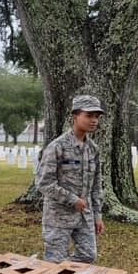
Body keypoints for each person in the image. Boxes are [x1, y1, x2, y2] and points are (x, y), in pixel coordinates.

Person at [36, 94, 106, 263]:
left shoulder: (93, 149)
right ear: (75, 116)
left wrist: (97, 215)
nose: (94, 120)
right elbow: (44, 183)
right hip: (59, 216)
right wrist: (73, 200)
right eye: (88, 115)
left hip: (84, 216)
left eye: (96, 116)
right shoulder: (57, 147)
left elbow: (96, 186)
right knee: (55, 263)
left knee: (89, 255)